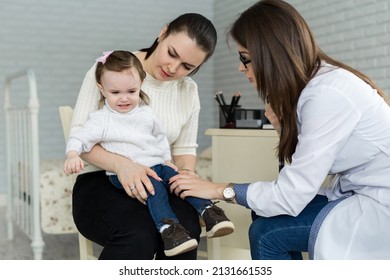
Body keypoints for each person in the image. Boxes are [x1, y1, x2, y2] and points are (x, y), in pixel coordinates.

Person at [170, 0, 390, 260]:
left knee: (267, 234)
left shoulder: (327, 94)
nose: (241, 68)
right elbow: (306, 170)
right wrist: (282, 126)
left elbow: (290, 196)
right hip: (361, 193)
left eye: (245, 58)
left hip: (379, 205)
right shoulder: (316, 88)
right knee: (262, 213)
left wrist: (218, 189)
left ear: (271, 54)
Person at [70, 13, 218, 260]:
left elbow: (184, 149)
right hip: (102, 179)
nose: (173, 68)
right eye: (172, 53)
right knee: (139, 234)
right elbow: (80, 139)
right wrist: (123, 165)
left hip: (158, 178)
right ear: (163, 32)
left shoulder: (188, 90)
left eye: (187, 67)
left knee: (186, 233)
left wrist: (187, 176)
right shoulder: (112, 68)